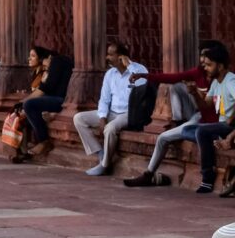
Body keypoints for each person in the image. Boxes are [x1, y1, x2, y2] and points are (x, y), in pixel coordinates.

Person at [123, 41, 225, 188]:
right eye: (202, 56)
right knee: (163, 137)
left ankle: (206, 177)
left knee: (198, 133)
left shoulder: (225, 80)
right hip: (200, 118)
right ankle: (149, 175)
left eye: (207, 58)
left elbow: (221, 112)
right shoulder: (199, 73)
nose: (203, 61)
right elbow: (172, 78)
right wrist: (144, 76)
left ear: (218, 63)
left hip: (213, 125)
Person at [73, 41, 147, 176]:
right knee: (79, 118)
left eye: (111, 55)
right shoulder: (110, 74)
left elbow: (143, 88)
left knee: (110, 128)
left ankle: (105, 165)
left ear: (121, 57)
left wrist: (129, 66)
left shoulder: (139, 69)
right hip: (112, 111)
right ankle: (100, 153)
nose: (107, 58)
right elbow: (104, 98)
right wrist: (102, 116)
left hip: (129, 113)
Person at [191, 44, 235, 193]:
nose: (206, 68)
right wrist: (194, 93)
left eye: (209, 65)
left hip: (230, 125)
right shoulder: (216, 83)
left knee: (201, 132)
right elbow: (205, 105)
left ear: (221, 66)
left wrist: (231, 119)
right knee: (190, 131)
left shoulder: (231, 81)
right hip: (221, 125)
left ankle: (207, 178)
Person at [18, 45, 74, 159]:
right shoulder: (53, 65)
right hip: (54, 98)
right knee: (24, 110)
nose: (44, 66)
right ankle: (24, 150)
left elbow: (46, 88)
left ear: (47, 57)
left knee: (29, 105)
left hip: (62, 101)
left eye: (43, 62)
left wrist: (24, 102)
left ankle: (44, 141)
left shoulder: (57, 61)